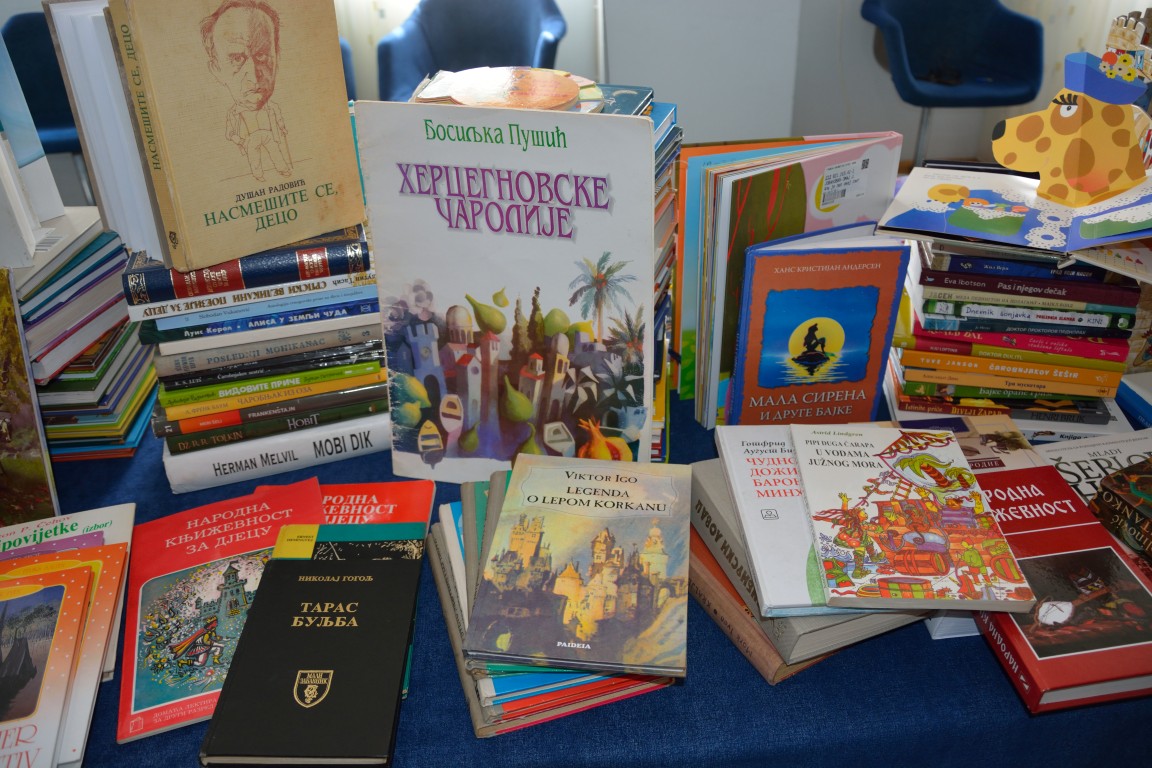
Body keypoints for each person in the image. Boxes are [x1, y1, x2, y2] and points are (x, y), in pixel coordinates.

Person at [200, 0, 291, 182]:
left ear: (277, 58)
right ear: (217, 70)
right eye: (237, 59)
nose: (254, 78)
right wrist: (241, 141)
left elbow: (279, 121)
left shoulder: (273, 108)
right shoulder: (233, 115)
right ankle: (258, 175)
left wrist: (281, 127)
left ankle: (283, 169)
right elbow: (230, 133)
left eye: (261, 55)